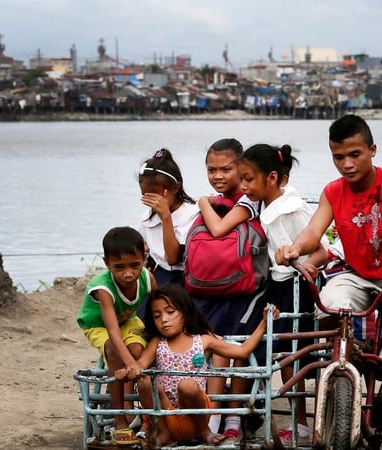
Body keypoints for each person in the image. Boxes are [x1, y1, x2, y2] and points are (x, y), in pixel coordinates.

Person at [275, 114, 382, 449]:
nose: (346, 164)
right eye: (338, 157)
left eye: (355, 154)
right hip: (358, 273)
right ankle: (345, 360)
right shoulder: (333, 191)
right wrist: (295, 247)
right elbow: (313, 231)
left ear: (372, 150)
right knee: (330, 304)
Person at [115, 284, 279, 446]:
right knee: (144, 380)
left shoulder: (203, 340)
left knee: (187, 385)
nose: (164, 320)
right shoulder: (158, 342)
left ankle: (205, 432)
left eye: (170, 312)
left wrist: (264, 323)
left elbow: (243, 351)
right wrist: (126, 371)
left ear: (186, 312)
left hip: (195, 416)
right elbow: (140, 365)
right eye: (157, 316)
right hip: (166, 413)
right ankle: (162, 432)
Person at [240, 143, 328, 445]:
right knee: (270, 345)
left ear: (273, 177)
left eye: (249, 179)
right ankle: (261, 409)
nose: (244, 186)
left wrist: (311, 266)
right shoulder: (266, 205)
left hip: (298, 285)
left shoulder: (291, 209)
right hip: (278, 284)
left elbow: (322, 251)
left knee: (292, 351)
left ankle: (300, 421)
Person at [192, 138, 265, 441]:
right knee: (211, 345)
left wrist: (202, 203)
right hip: (216, 289)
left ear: (241, 167)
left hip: (246, 290)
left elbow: (218, 230)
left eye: (226, 169)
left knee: (235, 348)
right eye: (211, 169)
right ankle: (214, 414)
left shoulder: (248, 199)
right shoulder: (223, 200)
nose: (218, 176)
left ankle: (230, 415)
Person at [76, 226, 157, 445]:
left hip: (127, 320)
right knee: (114, 349)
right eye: (119, 267)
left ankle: (148, 416)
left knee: (137, 350)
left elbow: (157, 308)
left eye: (134, 265)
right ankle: (120, 418)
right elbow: (112, 331)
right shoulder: (103, 287)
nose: (128, 273)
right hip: (99, 325)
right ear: (107, 264)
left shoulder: (147, 278)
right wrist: (131, 365)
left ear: (144, 258)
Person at [137, 148, 200, 286]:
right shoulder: (148, 218)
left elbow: (173, 259)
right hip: (158, 274)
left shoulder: (193, 215)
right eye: (145, 194)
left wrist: (166, 217)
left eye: (155, 195)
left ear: (176, 188)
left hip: (183, 277)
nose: (151, 201)